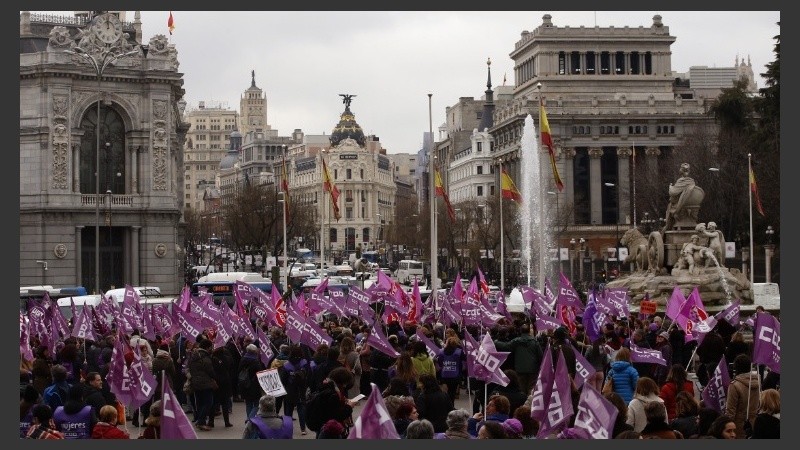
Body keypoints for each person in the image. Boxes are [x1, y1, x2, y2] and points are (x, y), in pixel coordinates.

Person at [493, 323, 543, 397]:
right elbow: (540, 356)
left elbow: (505, 346)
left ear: (520, 331)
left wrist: (496, 342)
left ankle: (523, 404)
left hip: (520, 369)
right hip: (533, 370)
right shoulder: (535, 342)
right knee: (531, 388)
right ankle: (529, 404)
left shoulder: (517, 341)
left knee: (521, 388)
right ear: (529, 331)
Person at [310, 366, 357, 438]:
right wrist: (349, 406)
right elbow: (337, 416)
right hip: (331, 431)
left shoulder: (325, 387)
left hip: (322, 428)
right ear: (343, 382)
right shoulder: (333, 395)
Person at [724, 353, 760, 439]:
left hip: (738, 427)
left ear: (736, 368)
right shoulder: (758, 383)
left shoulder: (735, 385)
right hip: (754, 424)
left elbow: (730, 411)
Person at [279, 344, 311, 435]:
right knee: (301, 410)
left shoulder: (286, 365)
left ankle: (288, 429)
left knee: (288, 410)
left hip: (290, 389)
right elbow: (308, 376)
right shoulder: (304, 363)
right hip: (301, 389)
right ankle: (303, 429)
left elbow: (283, 379)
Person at [188, 338, 217, 431]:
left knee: (200, 402)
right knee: (208, 402)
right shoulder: (205, 357)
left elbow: (189, 367)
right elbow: (210, 371)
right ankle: (200, 421)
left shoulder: (193, 355)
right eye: (211, 347)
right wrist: (214, 377)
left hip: (195, 382)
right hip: (205, 383)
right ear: (207, 347)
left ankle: (201, 421)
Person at [664, 162, 697, 230]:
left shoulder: (681, 181)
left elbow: (673, 192)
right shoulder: (692, 182)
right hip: (692, 205)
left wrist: (670, 187)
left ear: (681, 171)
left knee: (670, 205)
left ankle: (671, 224)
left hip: (680, 205)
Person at [435, 336, 464, 405]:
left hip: (444, 375)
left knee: (445, 393)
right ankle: (451, 406)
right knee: (452, 392)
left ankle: (446, 406)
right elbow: (463, 361)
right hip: (455, 375)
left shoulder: (441, 352)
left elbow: (440, 363)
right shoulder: (459, 352)